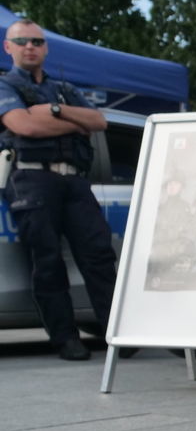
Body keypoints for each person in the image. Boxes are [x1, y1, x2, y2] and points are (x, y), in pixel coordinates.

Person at [0, 18, 114, 360]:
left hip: (75, 181)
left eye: (36, 41)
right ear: (8, 48)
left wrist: (54, 110)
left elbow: (99, 122)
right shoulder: (6, 86)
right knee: (47, 260)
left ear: (46, 47)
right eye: (21, 42)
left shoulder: (64, 90)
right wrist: (70, 123)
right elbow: (24, 126)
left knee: (99, 256)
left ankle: (115, 333)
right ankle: (65, 339)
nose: (30, 47)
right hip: (32, 179)